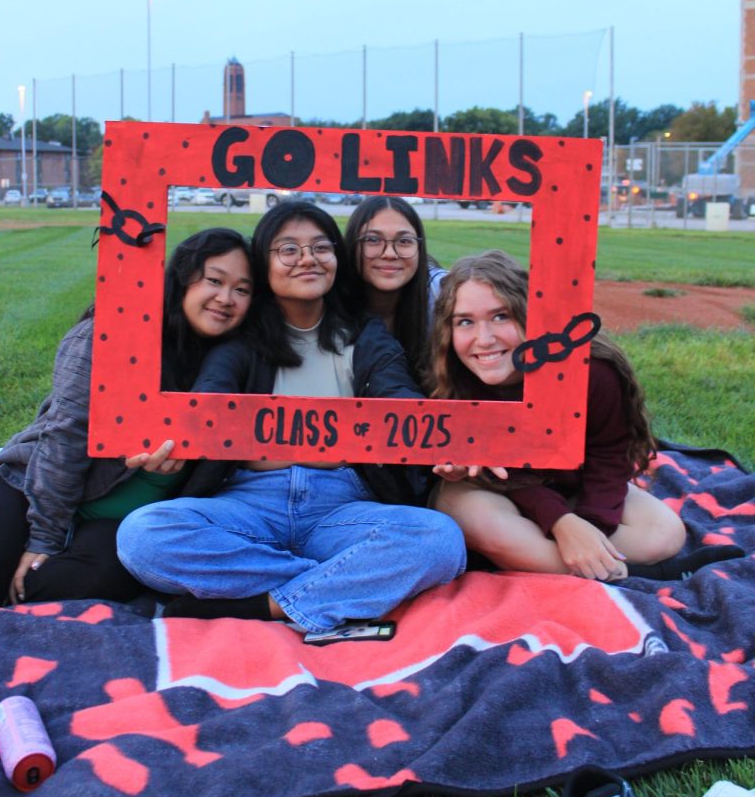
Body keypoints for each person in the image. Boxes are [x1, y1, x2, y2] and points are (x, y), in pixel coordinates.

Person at [117, 199, 466, 632]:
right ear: (265, 264)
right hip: (248, 503)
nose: (307, 259)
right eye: (288, 249)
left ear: (336, 260)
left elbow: (401, 398)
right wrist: (167, 438)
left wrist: (444, 443)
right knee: (141, 537)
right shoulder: (243, 337)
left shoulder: (365, 333)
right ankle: (338, 582)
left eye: (321, 247)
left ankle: (264, 607)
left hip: (340, 506)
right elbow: (206, 400)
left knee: (441, 541)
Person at [0, 227, 253, 607]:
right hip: (39, 485)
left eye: (242, 290)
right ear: (182, 280)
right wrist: (44, 536)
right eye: (214, 280)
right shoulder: (108, 335)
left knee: (59, 587)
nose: (225, 299)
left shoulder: (240, 359)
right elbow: (64, 440)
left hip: (119, 521)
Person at [428, 250, 691, 583]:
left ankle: (555, 560)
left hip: (572, 483)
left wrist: (588, 527)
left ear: (530, 315)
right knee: (471, 516)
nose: (484, 338)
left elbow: (610, 457)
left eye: (501, 316)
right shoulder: (455, 376)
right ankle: (629, 573)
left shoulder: (590, 371)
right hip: (498, 492)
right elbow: (498, 475)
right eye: (465, 321)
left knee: (665, 534)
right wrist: (560, 523)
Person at [344, 196, 446, 384]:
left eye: (404, 241)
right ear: (352, 245)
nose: (389, 254)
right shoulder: (329, 301)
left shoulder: (442, 292)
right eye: (373, 240)